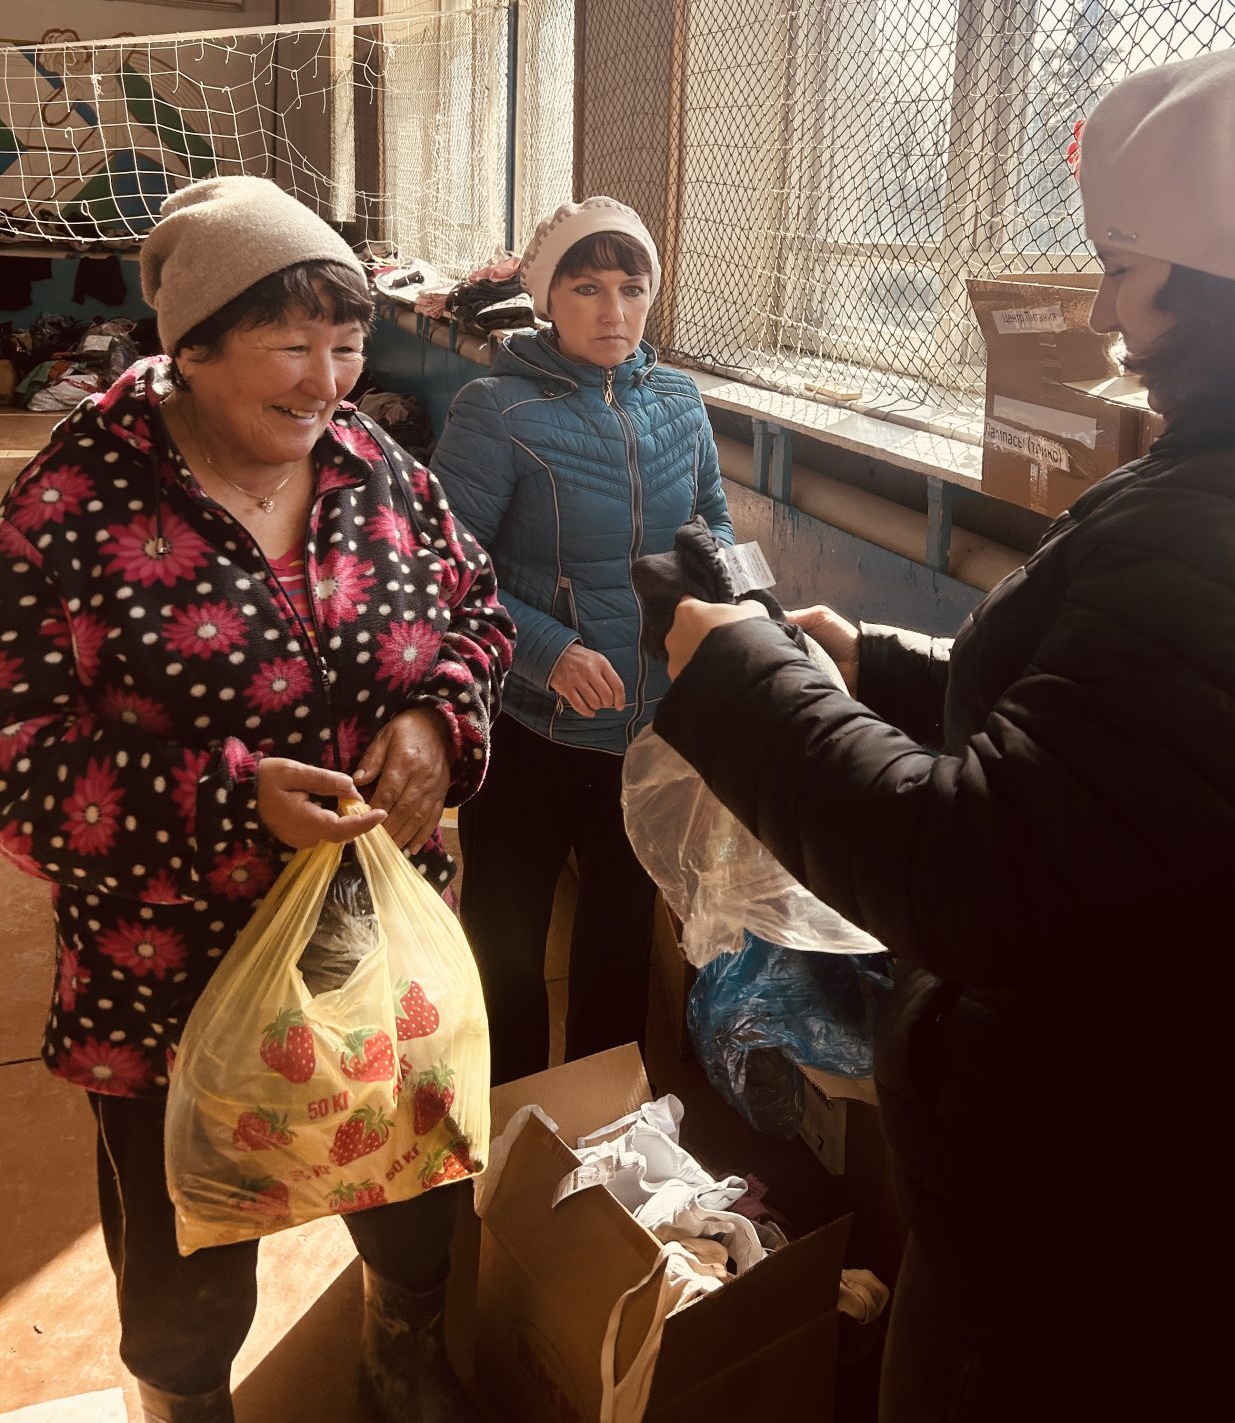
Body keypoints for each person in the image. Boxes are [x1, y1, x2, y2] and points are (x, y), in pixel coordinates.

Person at [659, 44, 1235, 1423]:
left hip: (1113, 1237)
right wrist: (880, 667)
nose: (1103, 309)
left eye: (1126, 268)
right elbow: (1147, 753)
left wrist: (738, 677)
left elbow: (986, 877)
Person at [0, 176, 515, 1423]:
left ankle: (401, 1352)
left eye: (346, 345)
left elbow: (477, 611)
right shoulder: (68, 508)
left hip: (375, 943)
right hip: (170, 967)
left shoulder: (377, 471)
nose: (326, 382)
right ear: (192, 349)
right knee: (190, 1250)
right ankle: (183, 1402)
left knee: (412, 1192)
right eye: (290, 345)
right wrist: (231, 804)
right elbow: (18, 756)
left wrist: (436, 720)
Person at [432, 196, 731, 1083]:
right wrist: (548, 650)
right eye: (588, 288)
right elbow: (447, 565)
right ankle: (509, 1113)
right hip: (529, 730)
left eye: (632, 289)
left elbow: (709, 526)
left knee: (618, 942)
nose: (613, 312)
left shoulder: (680, 401)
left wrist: (743, 613)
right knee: (507, 942)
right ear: (547, 298)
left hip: (645, 732)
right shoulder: (498, 409)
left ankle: (598, 1125)